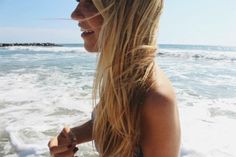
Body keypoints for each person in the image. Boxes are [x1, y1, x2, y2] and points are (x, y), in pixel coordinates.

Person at [48, 0, 181, 156]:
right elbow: (115, 122)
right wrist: (72, 136)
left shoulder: (156, 100)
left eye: (91, 2)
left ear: (128, 12)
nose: (74, 15)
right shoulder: (122, 73)